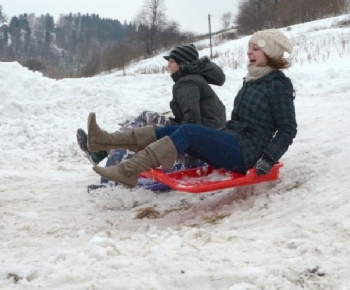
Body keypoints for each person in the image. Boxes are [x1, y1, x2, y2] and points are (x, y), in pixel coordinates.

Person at [87, 29, 297, 188]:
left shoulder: (277, 84)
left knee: (187, 130)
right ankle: (103, 141)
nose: (249, 51)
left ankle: (129, 170)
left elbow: (288, 128)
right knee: (173, 130)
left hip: (247, 153)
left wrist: (268, 159)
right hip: (233, 140)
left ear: (270, 53)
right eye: (249, 47)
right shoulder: (253, 79)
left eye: (256, 48)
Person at [76, 44, 227, 166]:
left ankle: (106, 155)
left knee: (146, 120)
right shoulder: (193, 79)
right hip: (210, 134)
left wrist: (175, 145)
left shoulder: (187, 83)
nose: (168, 65)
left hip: (204, 141)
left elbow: (192, 122)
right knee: (147, 123)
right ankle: (104, 150)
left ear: (182, 63)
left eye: (172, 61)